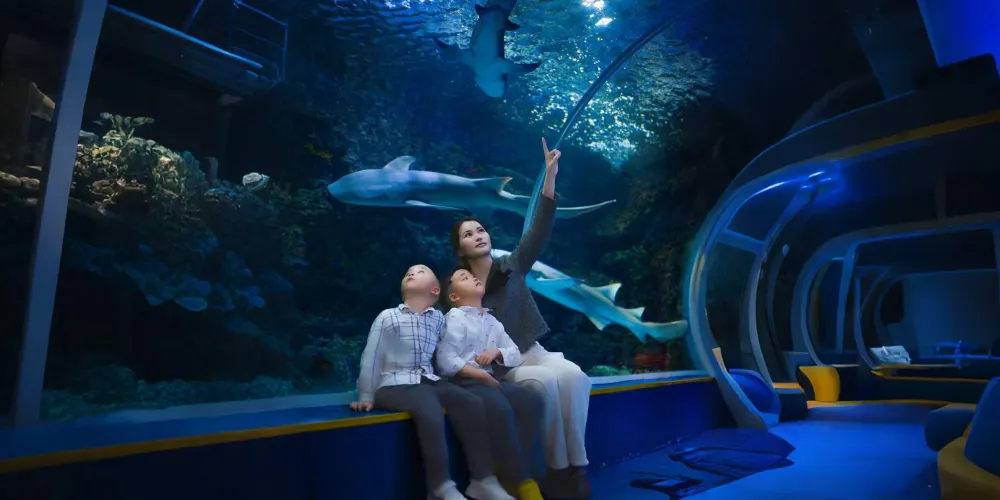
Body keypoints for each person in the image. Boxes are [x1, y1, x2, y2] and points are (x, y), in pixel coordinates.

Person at [448, 138, 592, 499]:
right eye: (468, 234)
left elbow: (538, 230)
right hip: (500, 365)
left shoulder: (512, 265)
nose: (478, 235)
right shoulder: (461, 287)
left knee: (575, 376)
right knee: (545, 383)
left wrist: (550, 176)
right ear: (460, 248)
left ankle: (577, 467)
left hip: (533, 350)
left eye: (481, 230)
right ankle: (557, 470)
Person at [349, 264, 513, 500]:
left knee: (471, 402)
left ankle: (483, 478)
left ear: (435, 291)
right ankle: (439, 486)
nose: (412, 273)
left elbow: (459, 337)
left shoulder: (437, 319)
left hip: (428, 380)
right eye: (409, 273)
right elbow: (372, 356)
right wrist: (365, 395)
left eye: (421, 272)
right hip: (394, 383)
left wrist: (486, 356)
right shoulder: (388, 317)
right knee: (428, 405)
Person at [437, 268, 545, 500]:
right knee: (499, 406)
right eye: (464, 278)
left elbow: (514, 353)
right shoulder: (454, 318)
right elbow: (445, 362)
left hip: (489, 380)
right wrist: (481, 376)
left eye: (472, 275)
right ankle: (520, 480)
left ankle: (514, 469)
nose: (473, 278)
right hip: (463, 382)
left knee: (531, 400)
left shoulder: (492, 320)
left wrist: (496, 352)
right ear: (454, 296)